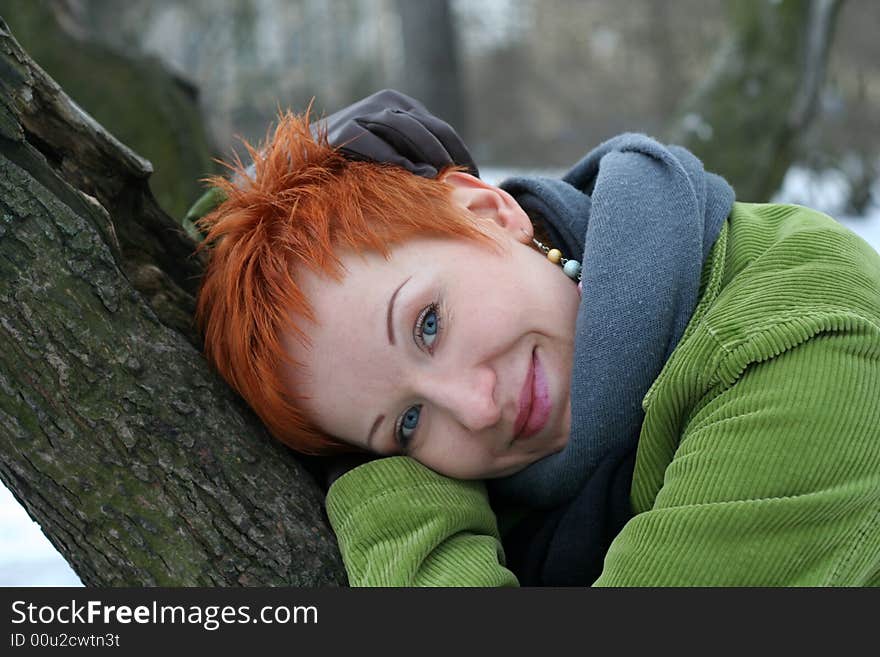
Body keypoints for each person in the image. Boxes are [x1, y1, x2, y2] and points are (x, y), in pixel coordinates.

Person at [192, 90, 880, 586]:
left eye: (428, 323)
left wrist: (402, 528)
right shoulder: (526, 494)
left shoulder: (799, 327)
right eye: (407, 424)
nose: (477, 408)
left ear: (489, 211)